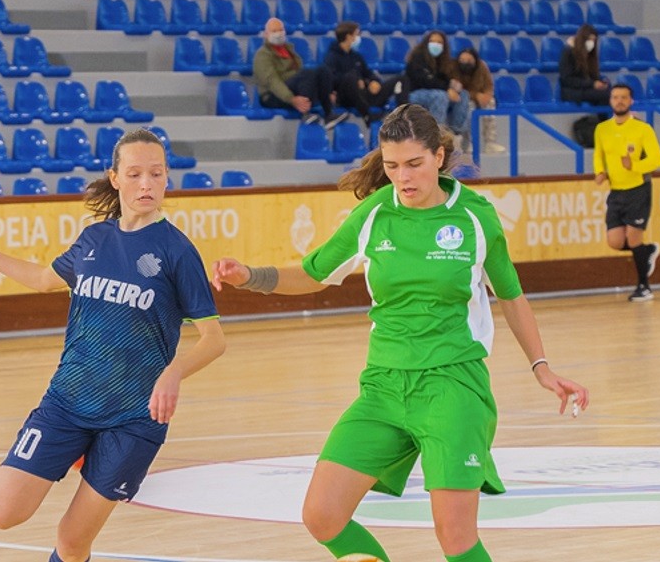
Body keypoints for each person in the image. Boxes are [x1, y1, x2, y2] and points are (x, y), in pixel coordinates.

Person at [212, 104, 590, 562]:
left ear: (439, 155)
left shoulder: (475, 217)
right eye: (392, 166)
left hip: (453, 386)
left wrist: (542, 367)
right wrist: (248, 276)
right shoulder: (375, 214)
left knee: (455, 537)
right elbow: (314, 273)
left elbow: (511, 296)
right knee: (322, 515)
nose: (403, 177)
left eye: (414, 164)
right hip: (384, 387)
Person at [0, 128, 226, 562]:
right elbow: (40, 279)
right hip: (68, 402)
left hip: (133, 419)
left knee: (72, 542)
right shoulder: (94, 240)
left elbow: (214, 339)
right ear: (114, 177)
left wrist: (174, 372)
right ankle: (79, 451)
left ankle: (92, 459)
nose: (145, 184)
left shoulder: (177, 251)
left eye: (156, 173)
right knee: (1, 512)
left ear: (167, 178)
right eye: (134, 174)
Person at [594, 83, 660, 302]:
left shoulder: (643, 129)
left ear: (631, 101)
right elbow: (599, 154)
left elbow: (657, 160)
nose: (619, 101)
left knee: (633, 238)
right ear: (610, 101)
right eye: (615, 97)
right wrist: (600, 172)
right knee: (614, 241)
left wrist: (633, 166)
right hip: (616, 192)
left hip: (638, 190)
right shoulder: (602, 129)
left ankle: (644, 286)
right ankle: (648, 250)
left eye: (624, 97)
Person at [253, 17, 348, 129]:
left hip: (294, 88)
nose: (278, 34)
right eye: (274, 31)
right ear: (266, 34)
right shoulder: (262, 55)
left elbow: (300, 76)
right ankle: (305, 114)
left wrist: (325, 93)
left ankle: (329, 114)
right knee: (306, 74)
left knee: (322, 70)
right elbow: (273, 82)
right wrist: (292, 99)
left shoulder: (289, 50)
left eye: (280, 30)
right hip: (273, 95)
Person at [323, 21, 403, 128]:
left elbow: (368, 73)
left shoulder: (356, 56)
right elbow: (331, 79)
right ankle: (367, 115)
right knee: (351, 76)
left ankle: (404, 117)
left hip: (364, 94)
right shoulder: (331, 57)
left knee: (400, 79)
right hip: (345, 97)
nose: (359, 37)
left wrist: (374, 81)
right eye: (357, 34)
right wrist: (355, 80)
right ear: (348, 36)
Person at [406, 30, 470, 150]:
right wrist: (446, 89)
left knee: (463, 94)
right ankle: (436, 135)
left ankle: (456, 133)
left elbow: (442, 79)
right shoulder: (417, 58)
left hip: (435, 92)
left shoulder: (442, 61)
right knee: (440, 96)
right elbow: (423, 80)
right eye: (433, 41)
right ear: (426, 43)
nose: (436, 44)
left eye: (439, 42)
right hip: (414, 93)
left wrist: (452, 85)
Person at [456, 47, 505, 154]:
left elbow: (489, 85)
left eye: (469, 60)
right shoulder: (454, 69)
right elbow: (459, 90)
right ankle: (468, 143)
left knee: (490, 102)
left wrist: (487, 96)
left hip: (481, 97)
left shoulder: (482, 66)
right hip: (463, 99)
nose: (465, 63)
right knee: (469, 106)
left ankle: (490, 142)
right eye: (462, 60)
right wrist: (476, 95)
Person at [559, 23, 609, 107]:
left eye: (594, 40)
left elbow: (593, 77)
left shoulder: (590, 56)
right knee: (607, 95)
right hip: (572, 91)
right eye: (589, 39)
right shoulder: (568, 52)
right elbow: (566, 80)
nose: (591, 43)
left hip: (586, 89)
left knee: (613, 92)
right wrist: (592, 84)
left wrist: (600, 82)